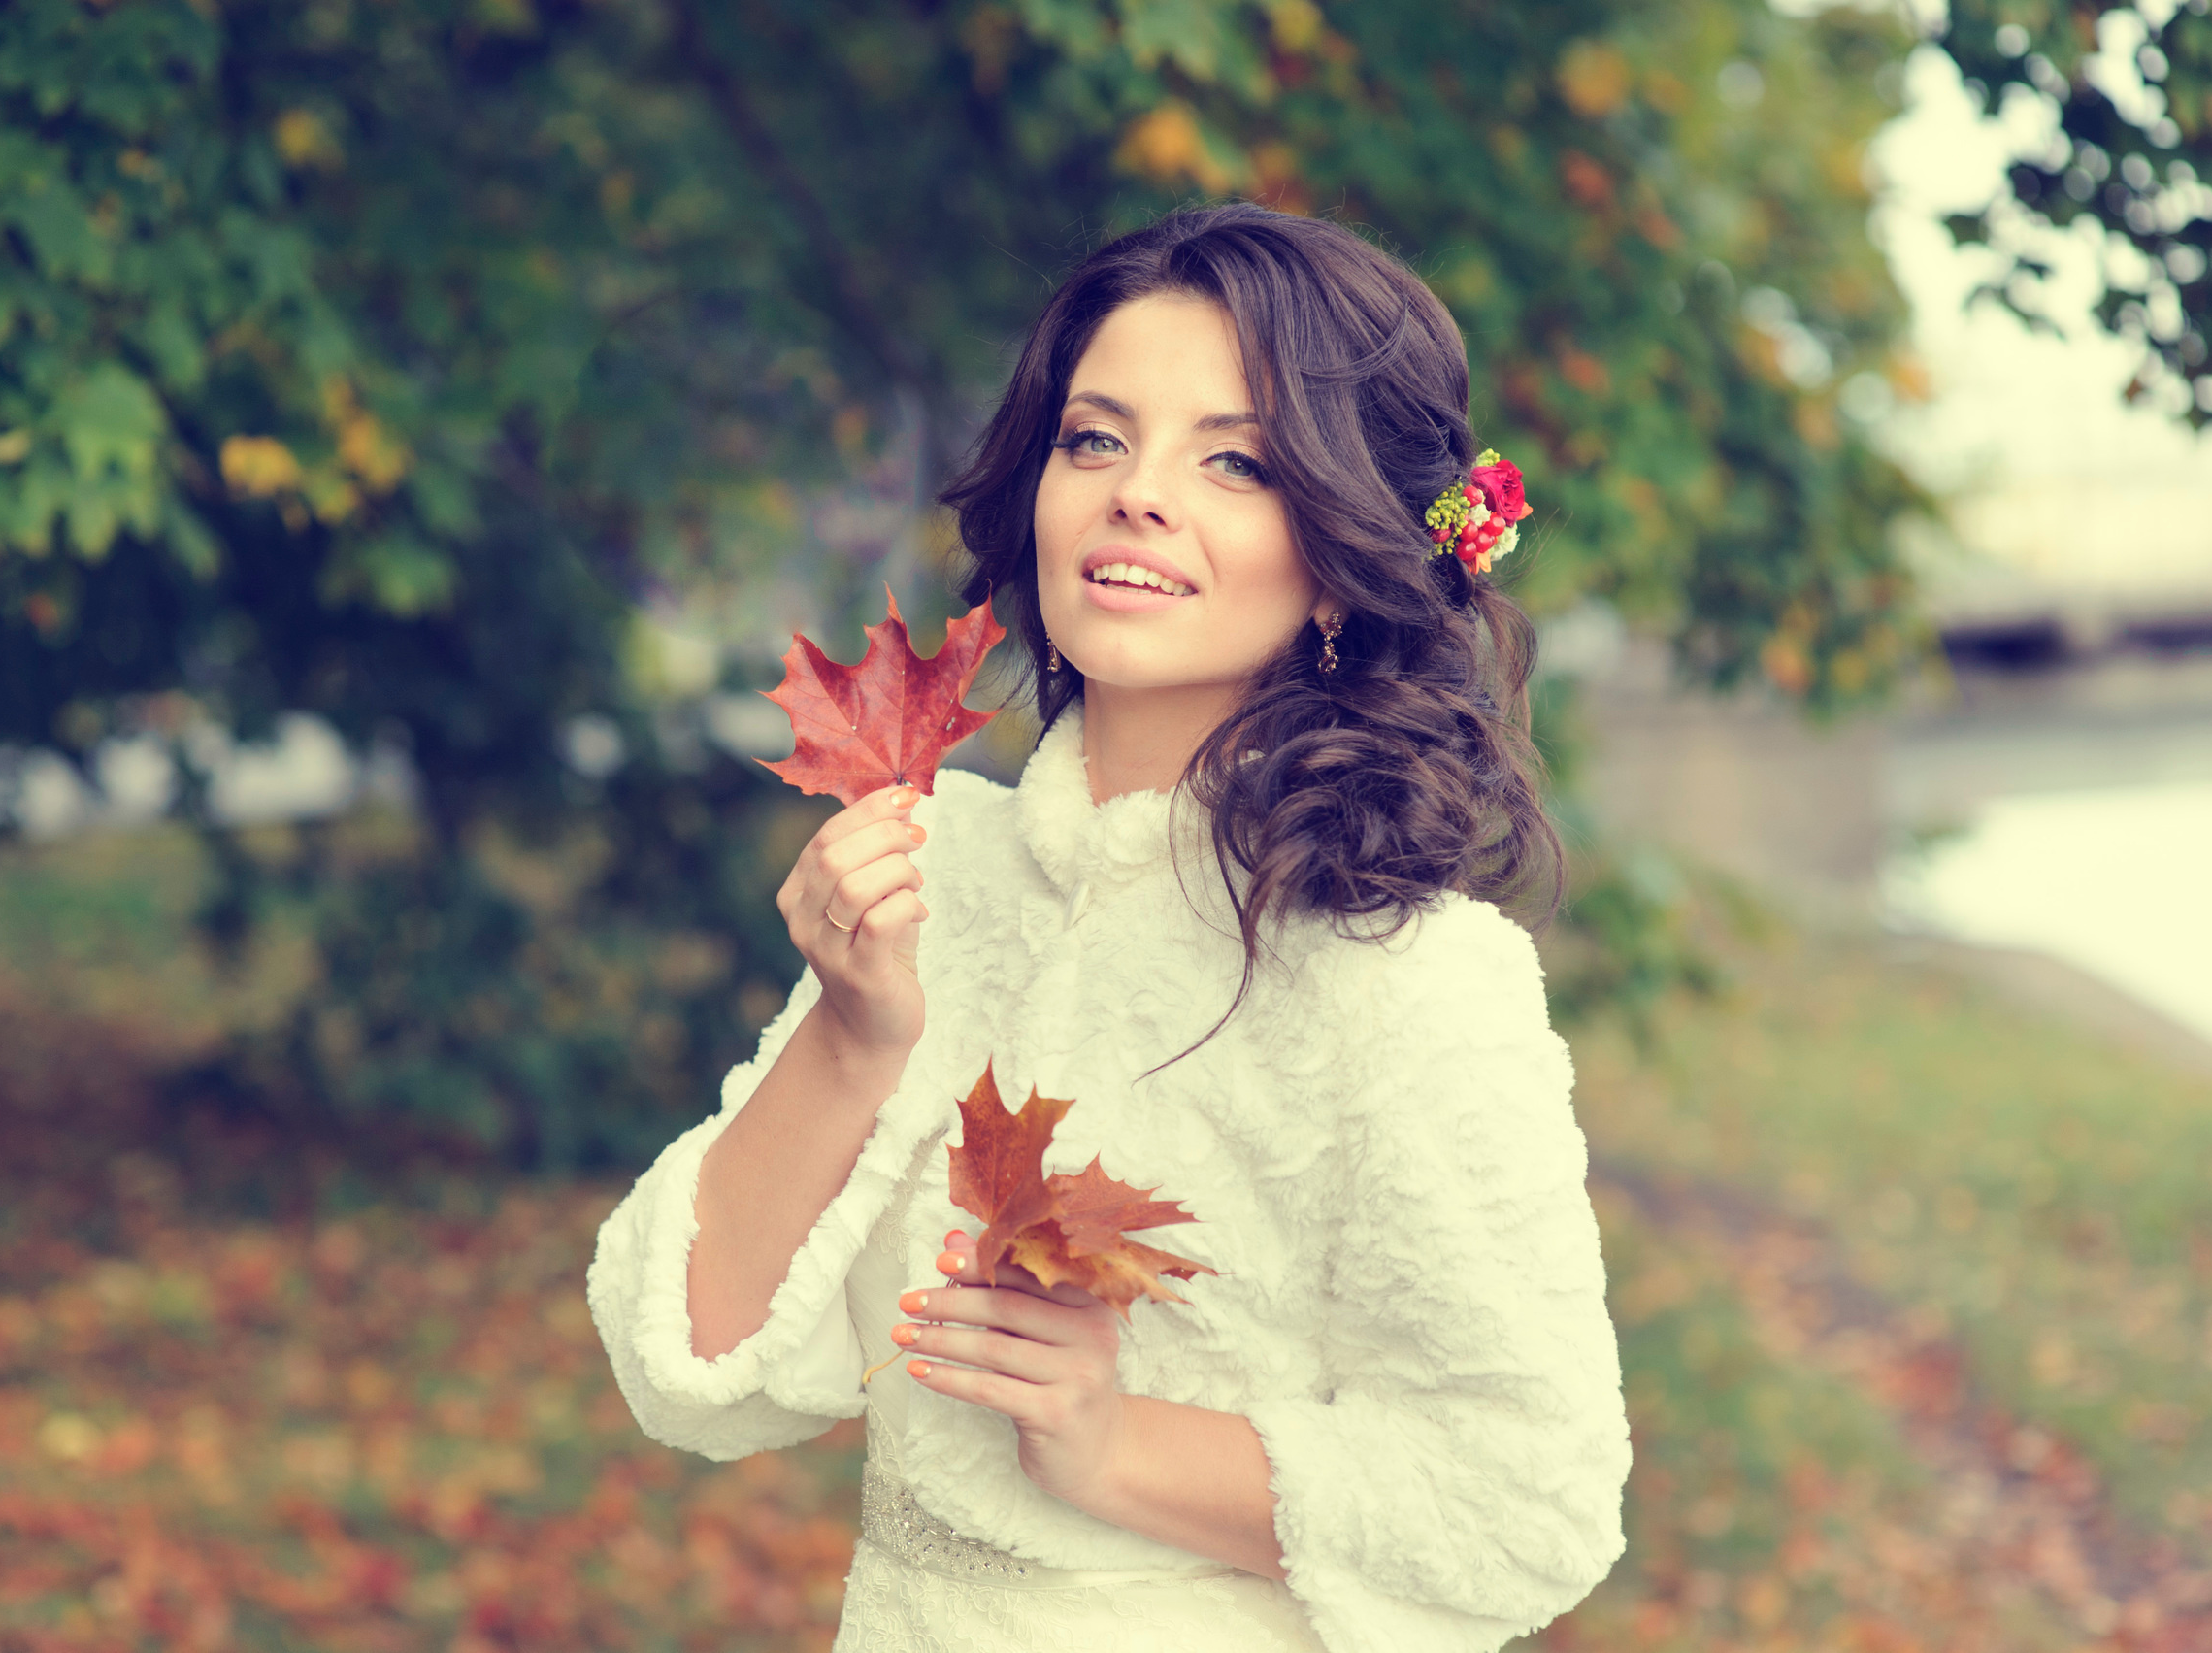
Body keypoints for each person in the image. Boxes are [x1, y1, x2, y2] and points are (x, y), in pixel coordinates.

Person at [586, 202, 1631, 1653]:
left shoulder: (1413, 978)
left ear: (1341, 555)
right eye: (1097, 438)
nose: (1139, 494)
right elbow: (684, 1366)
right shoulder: (936, 864)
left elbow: (1533, 1500)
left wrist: (1110, 1442)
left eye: (1236, 460)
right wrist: (853, 1032)